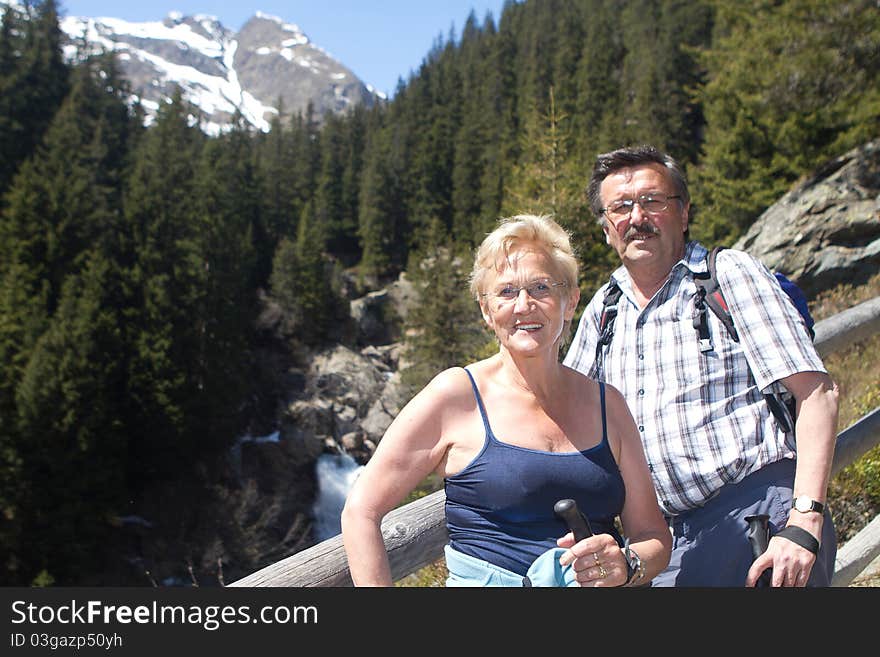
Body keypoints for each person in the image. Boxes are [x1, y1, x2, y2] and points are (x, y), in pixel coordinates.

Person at [341, 214, 672, 587]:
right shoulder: (454, 395)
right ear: (486, 310)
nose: (524, 305)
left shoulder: (608, 405)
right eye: (506, 292)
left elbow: (654, 537)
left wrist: (626, 564)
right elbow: (361, 511)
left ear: (570, 301)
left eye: (541, 288)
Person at [563, 145, 840, 587]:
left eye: (653, 201)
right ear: (606, 229)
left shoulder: (728, 274)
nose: (637, 218)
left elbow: (816, 393)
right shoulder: (603, 310)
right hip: (666, 543)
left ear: (683, 212)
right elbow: (565, 419)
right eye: (620, 207)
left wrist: (804, 520)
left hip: (758, 516)